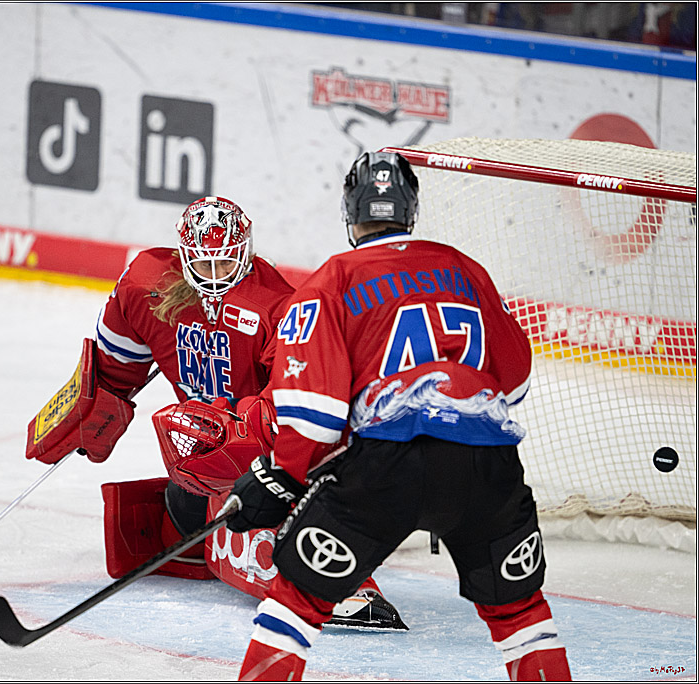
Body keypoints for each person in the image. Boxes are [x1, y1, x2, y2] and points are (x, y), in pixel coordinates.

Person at [226, 152, 573, 681]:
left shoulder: (333, 280)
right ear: (410, 210)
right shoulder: (464, 268)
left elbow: (315, 411)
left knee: (297, 597)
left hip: (386, 466)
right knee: (519, 610)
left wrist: (282, 475)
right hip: (485, 462)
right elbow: (516, 379)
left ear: (350, 211)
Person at [25, 195, 404, 628]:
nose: (213, 277)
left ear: (247, 252)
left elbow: (300, 408)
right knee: (187, 510)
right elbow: (113, 371)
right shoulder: (144, 285)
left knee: (253, 507)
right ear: (184, 255)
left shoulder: (279, 306)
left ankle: (335, 572)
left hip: (265, 458)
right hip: (196, 467)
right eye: (203, 265)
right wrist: (89, 411)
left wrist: (238, 434)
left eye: (225, 264)